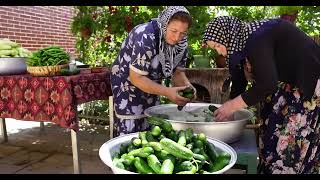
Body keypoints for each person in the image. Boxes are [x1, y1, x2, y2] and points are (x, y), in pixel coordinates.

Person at [202, 16, 320, 174]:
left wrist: (232, 106)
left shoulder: (257, 37)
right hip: (286, 84)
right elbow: (239, 80)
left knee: (288, 147)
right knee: (269, 133)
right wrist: (230, 108)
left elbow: (267, 84)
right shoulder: (241, 42)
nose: (219, 51)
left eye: (217, 45)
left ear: (228, 35)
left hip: (308, 85)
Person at [110, 6, 196, 137]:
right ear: (164, 24)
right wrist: (167, 92)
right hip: (127, 84)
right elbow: (136, 78)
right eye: (174, 31)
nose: (177, 37)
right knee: (130, 132)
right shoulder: (145, 35)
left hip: (152, 85)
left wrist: (187, 87)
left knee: (151, 123)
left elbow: (177, 72)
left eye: (183, 33)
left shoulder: (181, 43)